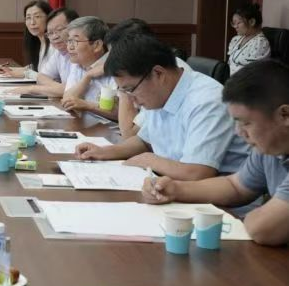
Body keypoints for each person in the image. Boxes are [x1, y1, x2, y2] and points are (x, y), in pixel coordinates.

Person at [142, 60, 289, 246]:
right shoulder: (269, 148)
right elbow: (236, 186)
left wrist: (254, 218)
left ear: (285, 115)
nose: (239, 132)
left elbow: (262, 229)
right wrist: (175, 189)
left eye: (246, 123)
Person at [76, 34, 250, 180]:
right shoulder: (160, 93)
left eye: (130, 90)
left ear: (158, 73)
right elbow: (145, 141)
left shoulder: (206, 101)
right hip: (173, 185)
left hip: (218, 204)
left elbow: (197, 172)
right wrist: (105, 152)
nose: (131, 100)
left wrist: (151, 160)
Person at [104, 19, 191, 139]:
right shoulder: (146, 78)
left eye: (115, 55)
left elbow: (129, 134)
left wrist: (124, 89)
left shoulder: (159, 82)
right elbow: (144, 141)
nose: (113, 61)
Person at [61, 16, 118, 119]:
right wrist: (87, 77)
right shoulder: (78, 63)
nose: (69, 47)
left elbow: (120, 113)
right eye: (69, 41)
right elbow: (67, 100)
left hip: (109, 127)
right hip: (85, 124)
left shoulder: (115, 66)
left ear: (97, 45)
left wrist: (87, 105)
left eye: (75, 41)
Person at [0, 0, 53, 76]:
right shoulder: (40, 42)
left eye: (37, 17)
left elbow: (48, 76)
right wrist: (8, 70)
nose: (32, 22)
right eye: (28, 18)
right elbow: (36, 68)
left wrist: (23, 73)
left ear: (49, 18)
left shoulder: (54, 45)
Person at [228, 3, 270, 75]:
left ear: (252, 22)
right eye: (233, 23)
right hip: (233, 80)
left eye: (238, 23)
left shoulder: (260, 43)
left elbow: (253, 72)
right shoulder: (237, 39)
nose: (235, 26)